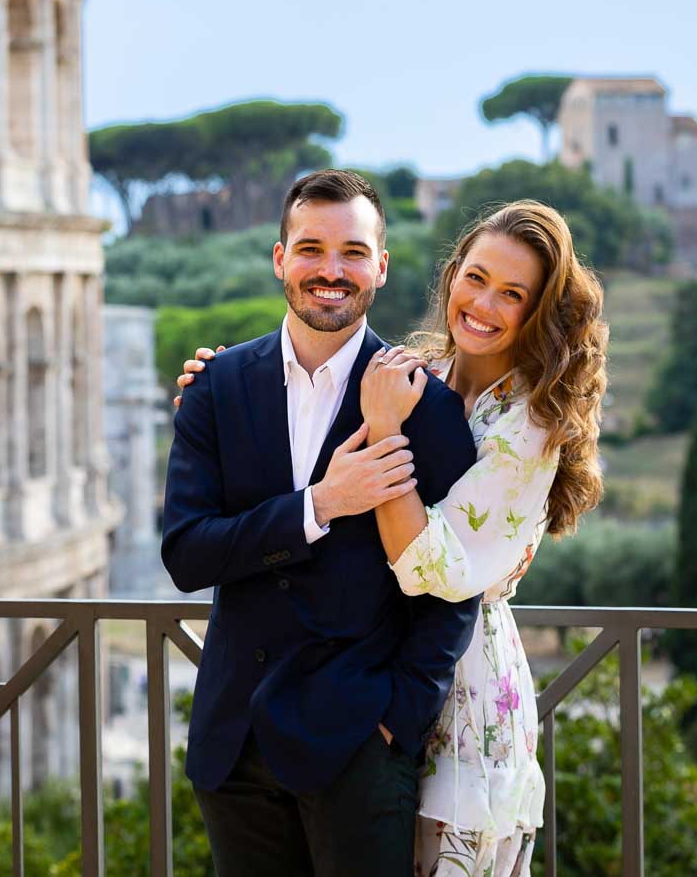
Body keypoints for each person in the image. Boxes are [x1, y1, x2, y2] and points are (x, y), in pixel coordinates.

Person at [178, 199, 609, 874]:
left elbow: (431, 568)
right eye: (476, 277)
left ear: (537, 310)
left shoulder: (527, 425)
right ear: (450, 276)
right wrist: (226, 383)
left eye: (512, 293)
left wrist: (394, 721)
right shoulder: (424, 375)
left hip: (453, 696)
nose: (484, 303)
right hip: (344, 702)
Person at [161, 168, 482, 876]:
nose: (330, 271)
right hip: (232, 744)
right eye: (310, 249)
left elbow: (455, 586)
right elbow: (187, 554)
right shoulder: (214, 388)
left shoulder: (426, 408)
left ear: (381, 268)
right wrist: (320, 506)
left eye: (353, 252)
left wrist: (395, 719)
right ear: (280, 259)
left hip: (357, 751)